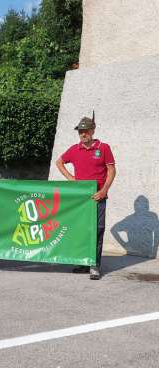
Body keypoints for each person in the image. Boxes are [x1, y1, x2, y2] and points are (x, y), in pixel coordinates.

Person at [56, 116, 116, 280]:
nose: (83, 134)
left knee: (97, 230)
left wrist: (104, 190)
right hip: (80, 199)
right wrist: (71, 178)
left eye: (85, 130)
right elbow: (59, 162)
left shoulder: (103, 148)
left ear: (92, 130)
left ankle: (94, 265)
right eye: (80, 131)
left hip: (97, 197)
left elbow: (111, 171)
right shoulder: (74, 149)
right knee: (81, 230)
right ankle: (82, 261)